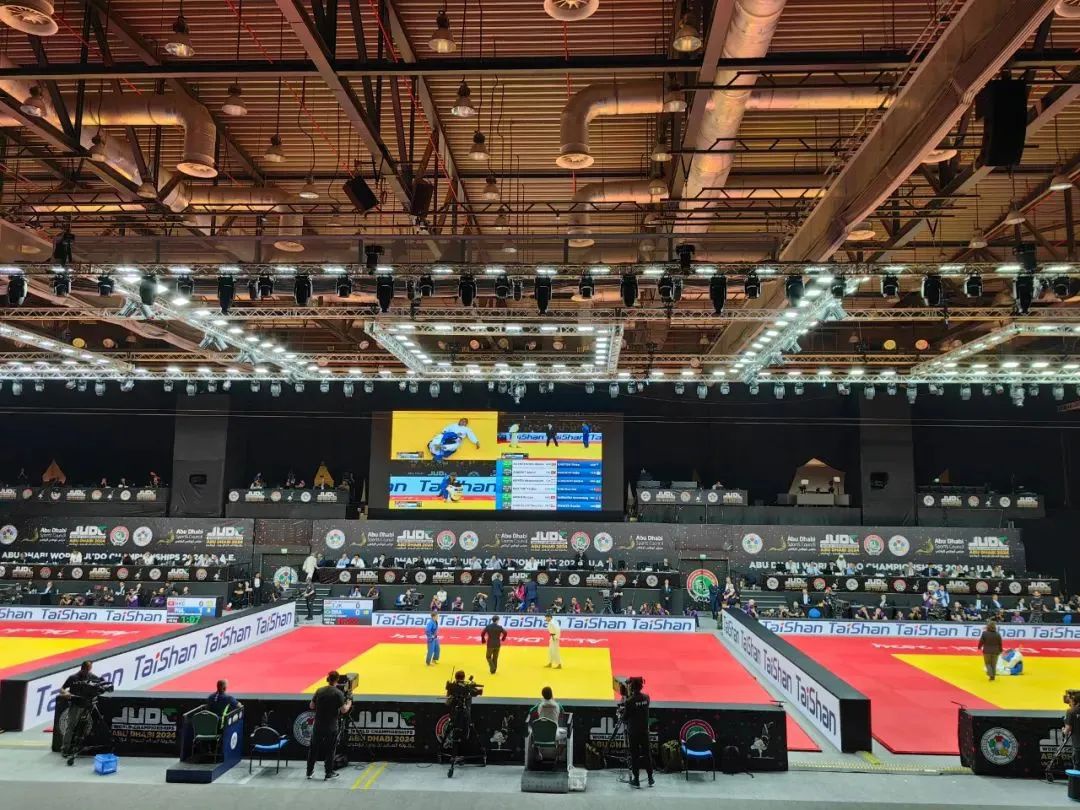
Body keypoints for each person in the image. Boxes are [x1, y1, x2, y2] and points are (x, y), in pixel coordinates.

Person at [306, 671, 352, 781]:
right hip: (331, 727)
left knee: (313, 749)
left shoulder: (319, 690)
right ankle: (328, 773)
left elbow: (311, 705)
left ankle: (309, 772)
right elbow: (343, 710)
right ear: (337, 680)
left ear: (328, 679)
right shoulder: (338, 693)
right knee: (330, 750)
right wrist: (349, 703)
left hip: (318, 725)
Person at [622, 678, 654, 788]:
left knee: (635, 756)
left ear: (631, 688)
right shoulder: (647, 698)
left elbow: (625, 717)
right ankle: (650, 778)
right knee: (647, 755)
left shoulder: (629, 701)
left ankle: (636, 780)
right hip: (644, 731)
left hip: (633, 733)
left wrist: (623, 712)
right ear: (641, 687)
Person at [1065, 691, 1080, 771]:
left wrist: (1064, 731)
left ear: (1074, 701)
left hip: (1078, 746)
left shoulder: (1071, 711)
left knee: (1077, 768)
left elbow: (1068, 729)